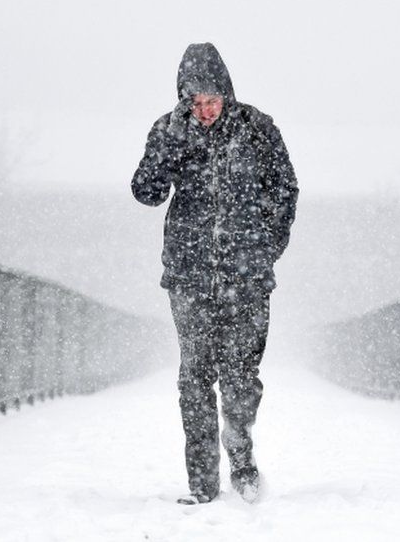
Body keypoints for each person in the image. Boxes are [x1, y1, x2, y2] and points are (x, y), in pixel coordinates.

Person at [131, 43, 298, 505]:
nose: (204, 111)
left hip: (246, 276)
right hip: (188, 274)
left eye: (211, 101)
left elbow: (285, 190)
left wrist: (266, 250)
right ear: (183, 100)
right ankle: (202, 482)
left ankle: (241, 459)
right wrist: (164, 146)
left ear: (226, 94)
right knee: (195, 376)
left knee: (242, 376)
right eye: (194, 102)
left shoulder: (257, 129)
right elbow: (147, 192)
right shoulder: (170, 131)